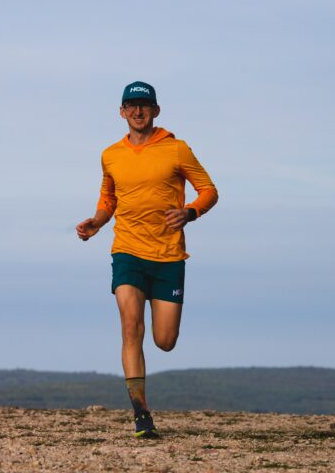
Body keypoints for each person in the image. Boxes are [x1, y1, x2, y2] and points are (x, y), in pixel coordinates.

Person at [76, 81, 218, 438]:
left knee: (165, 341)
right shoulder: (110, 155)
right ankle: (141, 414)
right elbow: (109, 199)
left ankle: (143, 405)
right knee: (130, 325)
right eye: (131, 106)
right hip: (127, 250)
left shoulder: (177, 149)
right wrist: (96, 222)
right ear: (121, 112)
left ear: (156, 110)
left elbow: (209, 191)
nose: (138, 112)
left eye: (144, 105)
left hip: (168, 256)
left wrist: (190, 213)